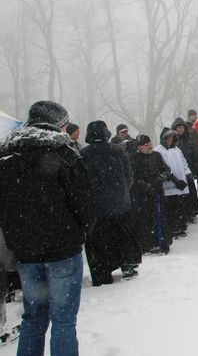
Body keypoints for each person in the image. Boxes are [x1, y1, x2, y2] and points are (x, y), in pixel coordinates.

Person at [0, 100, 96, 356]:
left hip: (25, 251)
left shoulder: (6, 156)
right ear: (58, 123)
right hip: (62, 249)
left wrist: (15, 236)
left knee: (33, 317)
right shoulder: (64, 153)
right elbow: (84, 201)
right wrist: (83, 231)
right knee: (63, 319)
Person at [81, 120, 141, 285]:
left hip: (96, 208)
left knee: (99, 243)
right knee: (122, 236)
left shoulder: (83, 154)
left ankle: (101, 273)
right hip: (119, 205)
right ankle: (126, 265)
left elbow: (81, 183)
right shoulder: (117, 150)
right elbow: (129, 176)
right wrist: (122, 193)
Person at [130, 134, 172, 254]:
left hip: (158, 192)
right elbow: (134, 177)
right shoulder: (134, 159)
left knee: (160, 217)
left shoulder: (157, 156)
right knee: (145, 220)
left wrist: (160, 178)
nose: (149, 146)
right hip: (142, 196)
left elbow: (166, 169)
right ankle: (147, 244)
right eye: (146, 145)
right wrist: (147, 186)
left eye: (150, 144)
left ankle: (163, 243)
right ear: (140, 147)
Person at [154, 129, 193, 238]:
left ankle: (180, 226)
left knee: (179, 206)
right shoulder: (158, 151)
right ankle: (173, 228)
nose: (170, 140)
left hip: (181, 184)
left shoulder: (177, 150)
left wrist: (188, 173)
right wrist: (173, 179)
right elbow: (162, 168)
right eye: (168, 138)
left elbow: (184, 163)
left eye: (172, 138)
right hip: (169, 185)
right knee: (170, 208)